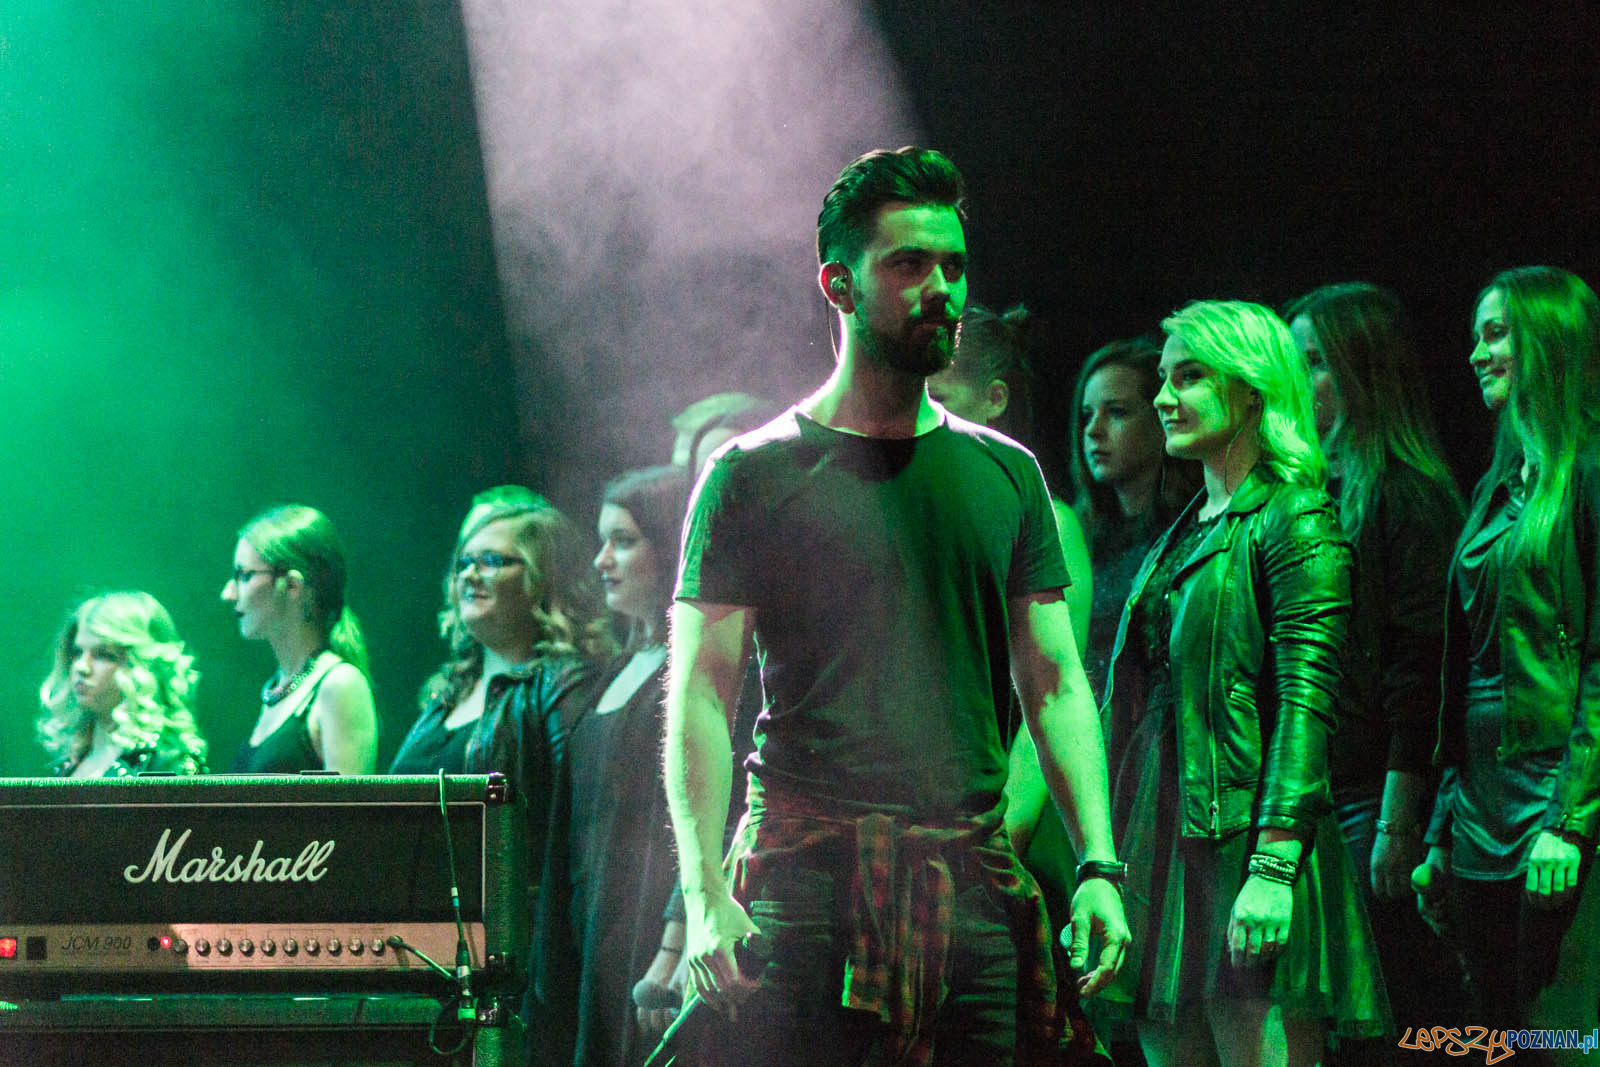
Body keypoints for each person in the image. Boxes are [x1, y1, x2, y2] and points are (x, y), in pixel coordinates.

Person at [664, 146, 1128, 1065]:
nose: (942, 289)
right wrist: (704, 889)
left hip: (972, 885)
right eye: (910, 264)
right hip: (804, 887)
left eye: (954, 265)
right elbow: (701, 693)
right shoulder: (750, 474)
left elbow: (1056, 681)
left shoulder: (1007, 473)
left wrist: (1099, 865)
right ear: (838, 284)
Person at [1099, 300, 1387, 1066]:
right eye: (1165, 378)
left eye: (1189, 376)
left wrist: (1272, 866)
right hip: (1165, 840)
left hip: (1244, 836)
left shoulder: (1294, 516)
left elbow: (1306, 703)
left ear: (1253, 389)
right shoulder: (1188, 527)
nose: (1165, 397)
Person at [1412, 266, 1600, 1052]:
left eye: (1496, 334)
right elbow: (1468, 671)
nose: (1476, 354)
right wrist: (1439, 827)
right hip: (1480, 809)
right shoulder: (1496, 487)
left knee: (1560, 1036)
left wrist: (1571, 819)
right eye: (1476, 336)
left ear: (1547, 341)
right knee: (1493, 1036)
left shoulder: (1588, 474)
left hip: (1552, 798)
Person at [1283, 282, 1466, 1061]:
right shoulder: (1314, 495)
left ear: (1364, 371)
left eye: (1315, 361)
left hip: (1376, 796)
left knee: (1399, 1014)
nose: (1299, 380)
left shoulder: (1407, 495)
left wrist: (1397, 821)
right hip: (1327, 793)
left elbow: (1420, 673)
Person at [386, 487, 614, 1067]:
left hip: (508, 972)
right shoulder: (444, 695)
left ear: (545, 578)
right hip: (419, 961)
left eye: (493, 560)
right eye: (464, 561)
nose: (471, 573)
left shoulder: (561, 686)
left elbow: (577, 834)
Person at [566, 466, 692, 1066]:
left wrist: (672, 946)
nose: (601, 560)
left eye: (623, 540)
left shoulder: (690, 670)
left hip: (643, 927)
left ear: (668, 546)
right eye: (603, 541)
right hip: (595, 928)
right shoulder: (620, 667)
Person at [1068, 337, 1200, 702]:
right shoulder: (1077, 536)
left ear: (1162, 418)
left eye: (1117, 412)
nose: (1093, 430)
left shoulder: (1191, 534)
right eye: (1087, 415)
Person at [223, 505, 377, 774]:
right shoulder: (279, 686)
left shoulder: (339, 684)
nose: (228, 593)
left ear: (293, 585)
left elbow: (352, 802)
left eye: (245, 575)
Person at [38, 591, 208, 777]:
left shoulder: (166, 763)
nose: (81, 666)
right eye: (77, 652)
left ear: (142, 665)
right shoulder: (70, 763)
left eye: (103, 654)